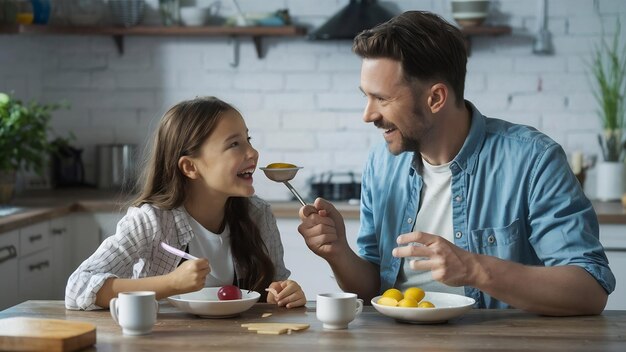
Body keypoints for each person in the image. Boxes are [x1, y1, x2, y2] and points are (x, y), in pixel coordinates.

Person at [297, 11, 615, 316]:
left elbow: (589, 290)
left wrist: (474, 269)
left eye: (382, 99)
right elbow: (372, 289)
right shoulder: (382, 163)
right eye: (365, 97)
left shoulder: (533, 161)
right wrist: (338, 252)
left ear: (435, 98)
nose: (368, 115)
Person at [66, 96, 306, 310]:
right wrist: (169, 284)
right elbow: (78, 287)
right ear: (190, 167)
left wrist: (285, 293)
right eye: (235, 144)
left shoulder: (258, 214)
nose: (253, 152)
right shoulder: (151, 221)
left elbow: (275, 287)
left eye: (248, 139)